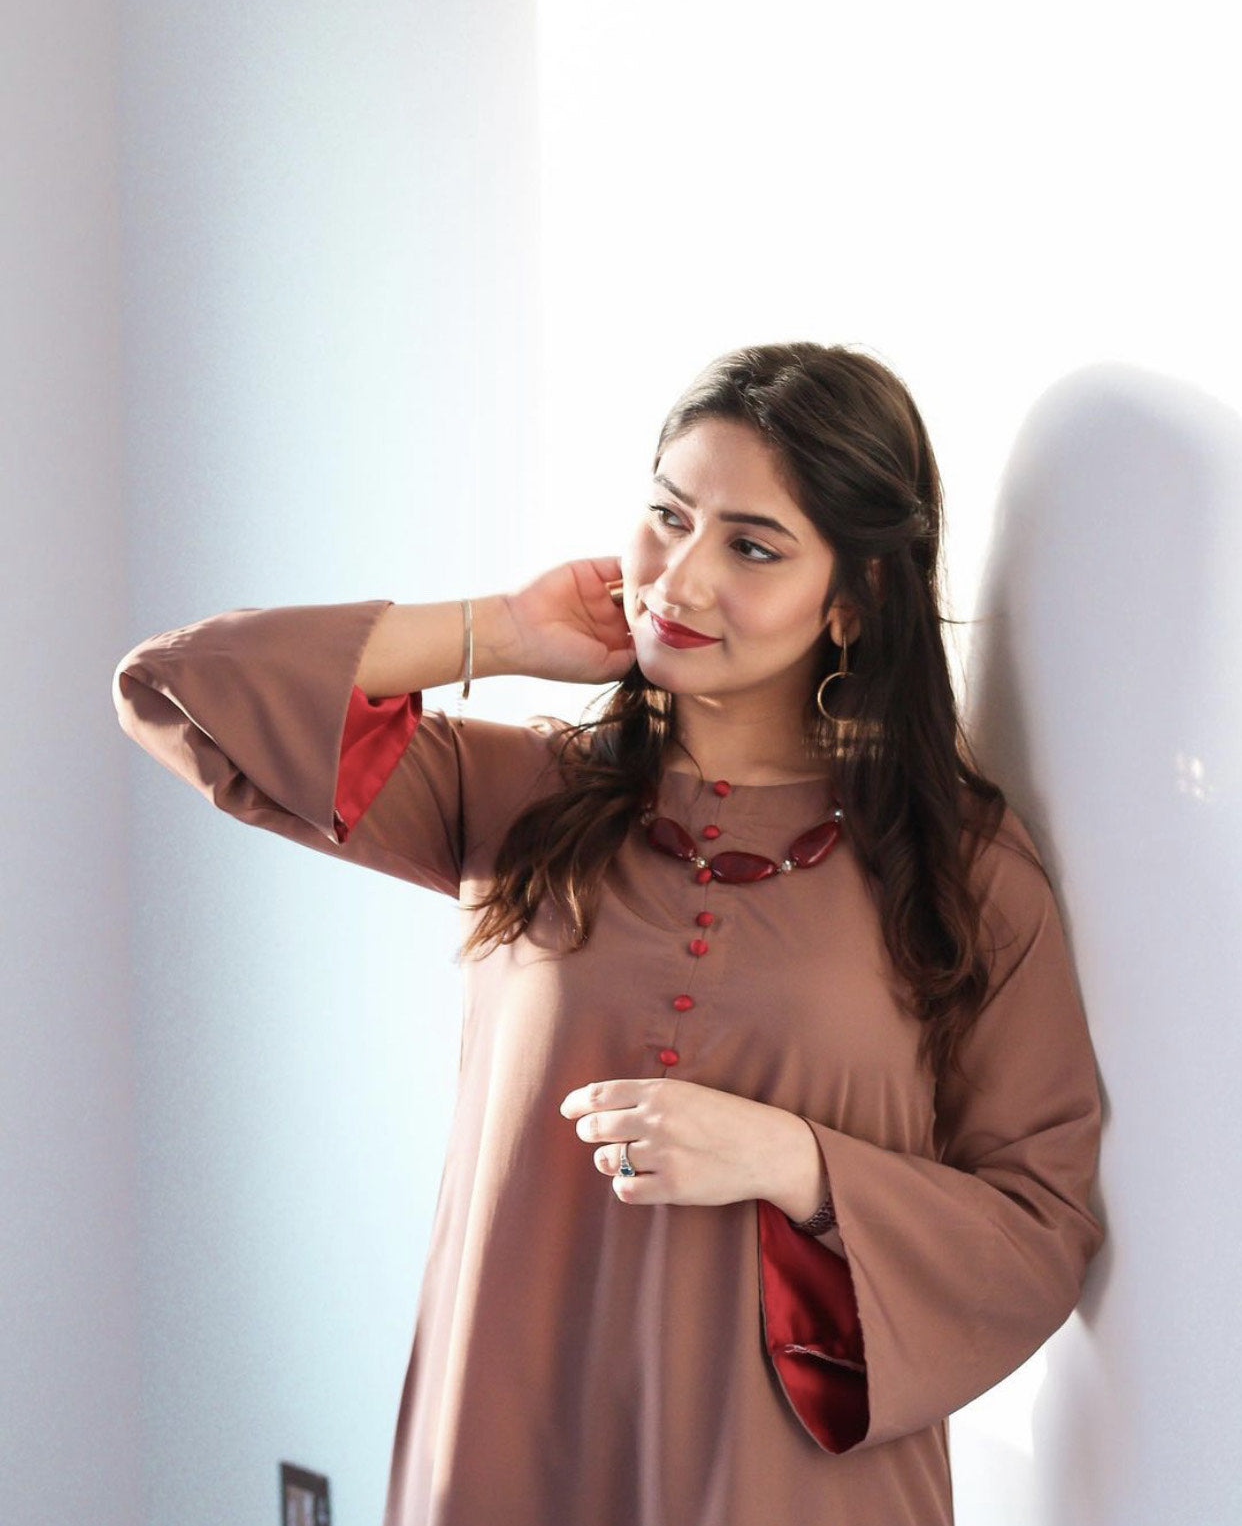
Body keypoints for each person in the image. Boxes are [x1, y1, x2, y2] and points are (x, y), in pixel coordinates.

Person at [111, 341, 1105, 1526]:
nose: (678, 581)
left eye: (750, 545)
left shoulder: (961, 872)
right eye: (666, 518)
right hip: (514, 1448)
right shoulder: (521, 800)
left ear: (857, 598)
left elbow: (1040, 1226)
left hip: (782, 1483)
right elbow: (183, 690)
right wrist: (505, 631)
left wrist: (796, 1163)